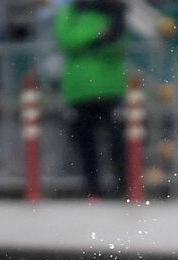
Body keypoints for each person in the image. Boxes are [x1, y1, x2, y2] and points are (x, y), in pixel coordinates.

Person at [54, 0, 128, 200]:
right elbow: (66, 39)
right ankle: (93, 190)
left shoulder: (113, 11)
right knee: (86, 144)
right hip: (80, 91)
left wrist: (86, 43)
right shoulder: (70, 11)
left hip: (110, 88)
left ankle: (122, 188)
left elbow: (117, 45)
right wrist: (99, 36)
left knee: (117, 141)